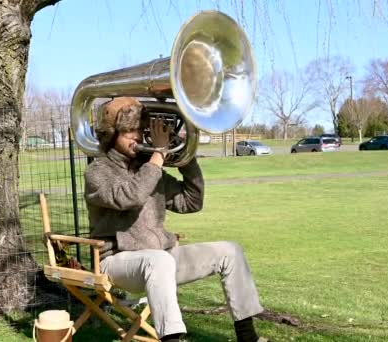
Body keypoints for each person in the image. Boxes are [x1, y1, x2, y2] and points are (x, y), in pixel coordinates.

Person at [84, 97, 267, 342]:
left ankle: (248, 337)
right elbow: (131, 197)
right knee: (158, 260)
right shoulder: (97, 172)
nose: (137, 137)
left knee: (230, 251)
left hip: (161, 259)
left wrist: (184, 155)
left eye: (140, 129)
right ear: (111, 134)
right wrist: (158, 156)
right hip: (116, 262)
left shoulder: (150, 169)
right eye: (128, 131)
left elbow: (192, 201)